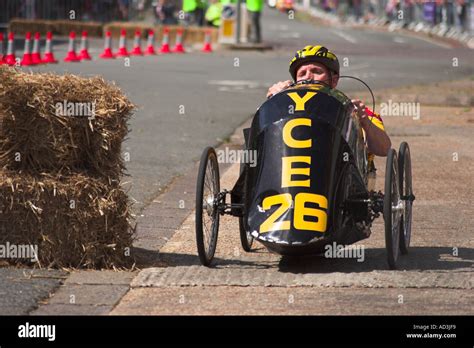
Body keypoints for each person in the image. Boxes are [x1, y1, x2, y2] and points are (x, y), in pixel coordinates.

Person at [266, 45, 391, 188]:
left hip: (340, 183)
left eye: (316, 71)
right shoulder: (284, 108)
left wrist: (363, 121)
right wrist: (275, 101)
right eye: (302, 74)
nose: (308, 77)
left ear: (334, 80)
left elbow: (384, 149)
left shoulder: (353, 109)